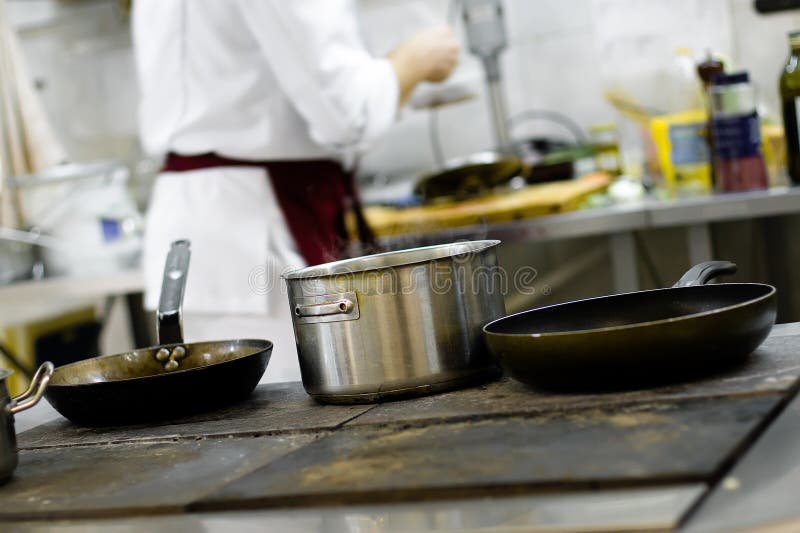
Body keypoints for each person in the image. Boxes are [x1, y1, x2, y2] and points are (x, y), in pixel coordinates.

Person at [133, 0, 460, 383]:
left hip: (213, 221)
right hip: (252, 228)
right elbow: (345, 115)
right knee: (290, 422)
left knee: (242, 428)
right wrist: (410, 62)